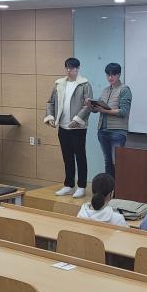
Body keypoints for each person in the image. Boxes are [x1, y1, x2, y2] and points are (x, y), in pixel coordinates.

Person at [44, 57, 93, 198]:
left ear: (78, 69)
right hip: (63, 127)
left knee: (80, 157)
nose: (69, 70)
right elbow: (50, 102)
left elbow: (88, 106)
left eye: (72, 68)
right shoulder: (59, 84)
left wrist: (77, 120)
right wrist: (50, 117)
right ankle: (69, 185)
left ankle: (81, 186)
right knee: (67, 157)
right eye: (67, 67)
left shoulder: (84, 84)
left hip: (78, 128)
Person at [90, 62, 132, 176]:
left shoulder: (124, 89)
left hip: (117, 132)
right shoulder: (105, 90)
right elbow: (98, 109)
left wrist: (104, 111)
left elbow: (123, 112)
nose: (110, 77)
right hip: (102, 130)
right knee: (107, 161)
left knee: (117, 162)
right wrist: (91, 106)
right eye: (108, 75)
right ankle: (109, 186)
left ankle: (118, 186)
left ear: (119, 75)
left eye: (113, 75)